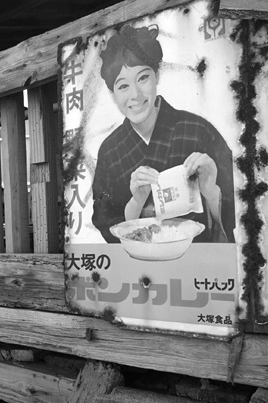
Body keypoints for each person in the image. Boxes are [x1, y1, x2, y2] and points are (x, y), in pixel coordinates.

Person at [91, 24, 235, 244]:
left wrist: (211, 191)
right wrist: (136, 202)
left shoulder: (198, 131)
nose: (135, 95)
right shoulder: (110, 151)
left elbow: (236, 214)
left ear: (156, 75)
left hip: (196, 259)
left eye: (143, 78)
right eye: (123, 86)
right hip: (139, 264)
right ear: (113, 94)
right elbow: (106, 222)